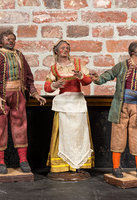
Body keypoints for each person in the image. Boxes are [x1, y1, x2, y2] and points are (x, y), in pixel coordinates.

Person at [90, 41, 137, 178]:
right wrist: (97, 78)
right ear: (133, 51)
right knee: (117, 137)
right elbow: (108, 75)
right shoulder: (122, 66)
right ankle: (116, 168)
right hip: (120, 108)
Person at [0, 30, 46, 174]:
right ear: (0, 42)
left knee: (20, 125)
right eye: (7, 39)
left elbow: (29, 77)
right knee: (0, 127)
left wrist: (34, 93)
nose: (11, 41)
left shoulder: (20, 56)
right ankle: (0, 161)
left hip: (19, 95)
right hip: (1, 97)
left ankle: (23, 160)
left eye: (13, 39)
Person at [44, 40, 94, 176]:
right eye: (62, 48)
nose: (65, 50)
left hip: (77, 102)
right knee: (64, 134)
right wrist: (55, 85)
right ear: (56, 51)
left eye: (67, 48)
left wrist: (81, 76)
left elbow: (88, 81)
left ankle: (78, 164)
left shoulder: (77, 64)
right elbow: (47, 87)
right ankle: (62, 164)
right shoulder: (54, 68)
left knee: (78, 133)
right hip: (64, 104)